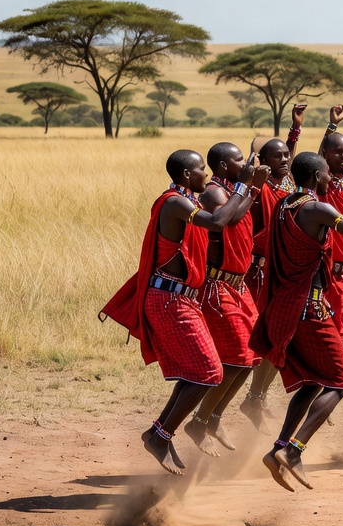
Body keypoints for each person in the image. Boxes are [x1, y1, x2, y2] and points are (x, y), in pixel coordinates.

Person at [101, 149, 267, 475]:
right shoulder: (175, 202)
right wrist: (243, 185)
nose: (206, 176)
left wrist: (251, 189)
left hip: (183, 298)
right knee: (209, 372)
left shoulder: (186, 199)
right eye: (202, 170)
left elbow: (231, 217)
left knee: (199, 372)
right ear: (188, 174)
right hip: (168, 299)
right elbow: (219, 221)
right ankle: (161, 434)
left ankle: (159, 434)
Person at [249, 152, 343, 491]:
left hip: (288, 307)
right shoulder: (315, 208)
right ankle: (295, 450)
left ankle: (278, 448)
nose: (330, 179)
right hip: (310, 311)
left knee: (312, 383)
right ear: (316, 176)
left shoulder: (284, 205)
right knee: (340, 382)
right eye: (326, 173)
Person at [181, 141, 264, 456]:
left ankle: (212, 416)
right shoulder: (215, 191)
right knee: (235, 359)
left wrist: (249, 187)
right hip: (218, 288)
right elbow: (228, 220)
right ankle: (199, 420)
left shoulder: (233, 190)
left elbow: (239, 215)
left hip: (238, 287)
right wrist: (248, 186)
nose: (244, 163)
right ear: (221, 167)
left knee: (250, 358)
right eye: (238, 159)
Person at [240, 104, 306, 431]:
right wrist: (254, 176)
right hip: (259, 272)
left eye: (286, 156)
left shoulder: (292, 183)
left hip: (284, 270)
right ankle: (249, 398)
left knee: (280, 338)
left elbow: (291, 156)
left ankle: (256, 397)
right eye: (277, 156)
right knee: (266, 337)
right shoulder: (259, 188)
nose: (284, 159)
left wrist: (295, 129)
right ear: (265, 163)